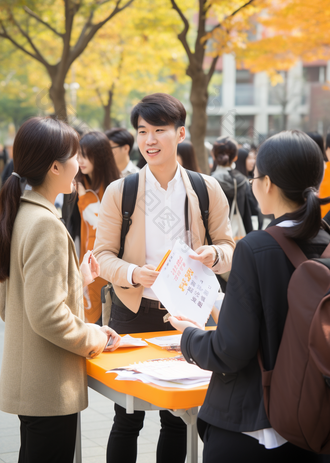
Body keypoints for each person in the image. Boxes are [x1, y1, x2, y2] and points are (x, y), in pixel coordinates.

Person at [169, 130, 330, 463]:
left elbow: (230, 351)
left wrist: (188, 338)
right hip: (316, 419)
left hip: (254, 426)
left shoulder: (255, 248)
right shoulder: (325, 240)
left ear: (267, 183)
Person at [93, 92, 235, 463]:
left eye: (160, 130)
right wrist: (132, 273)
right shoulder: (120, 191)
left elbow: (229, 247)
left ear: (181, 133)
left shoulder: (206, 188)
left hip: (186, 316)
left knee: (177, 418)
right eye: (142, 131)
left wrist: (214, 254)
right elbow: (102, 256)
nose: (150, 140)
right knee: (127, 417)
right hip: (133, 313)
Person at [0, 116, 120, 463]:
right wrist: (95, 337)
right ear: (54, 167)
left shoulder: (19, 214)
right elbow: (47, 315)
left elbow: (11, 302)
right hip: (48, 386)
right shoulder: (45, 224)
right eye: (75, 156)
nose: (79, 165)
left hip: (28, 381)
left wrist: (76, 279)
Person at [76, 130, 120, 324]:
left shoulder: (115, 188)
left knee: (105, 315)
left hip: (107, 260)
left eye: (85, 155)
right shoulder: (78, 184)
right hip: (85, 259)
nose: (81, 161)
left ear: (100, 156)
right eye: (78, 155)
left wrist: (83, 198)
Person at [211, 137, 253, 234]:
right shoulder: (243, 180)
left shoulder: (209, 182)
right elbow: (248, 213)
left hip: (215, 239)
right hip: (238, 236)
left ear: (213, 155)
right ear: (235, 157)